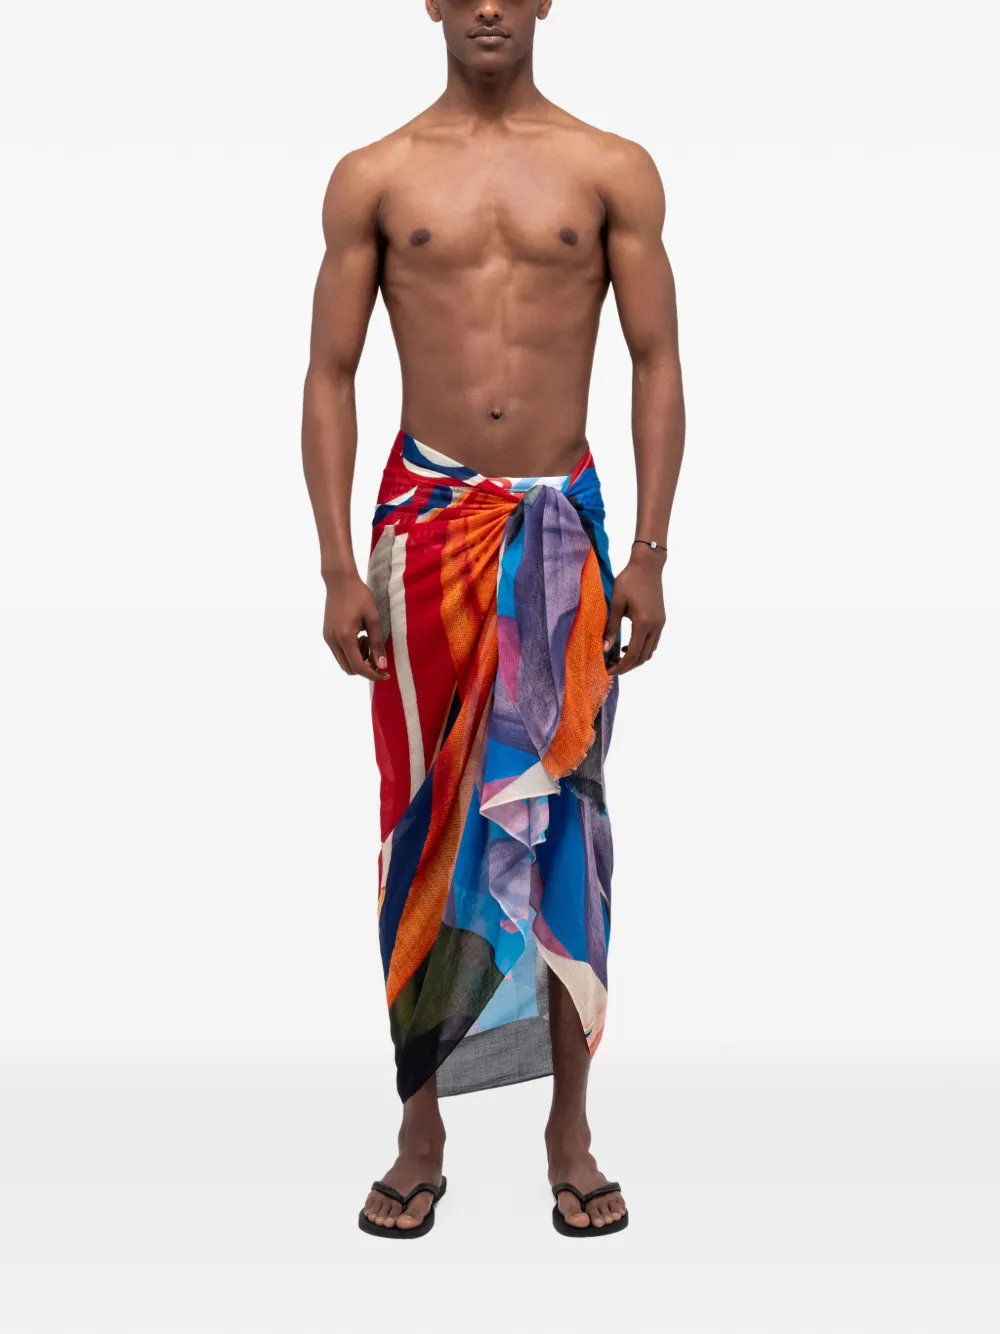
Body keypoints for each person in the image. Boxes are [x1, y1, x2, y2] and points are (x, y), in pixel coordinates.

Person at [301, 0, 685, 1238]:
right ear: (428, 0)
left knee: (567, 820)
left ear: (543, 0)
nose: (484, 6)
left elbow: (657, 359)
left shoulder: (608, 167)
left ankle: (570, 1128)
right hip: (422, 530)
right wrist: (334, 566)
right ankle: (420, 1127)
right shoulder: (375, 176)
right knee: (418, 822)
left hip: (562, 529)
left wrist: (649, 550)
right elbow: (328, 372)